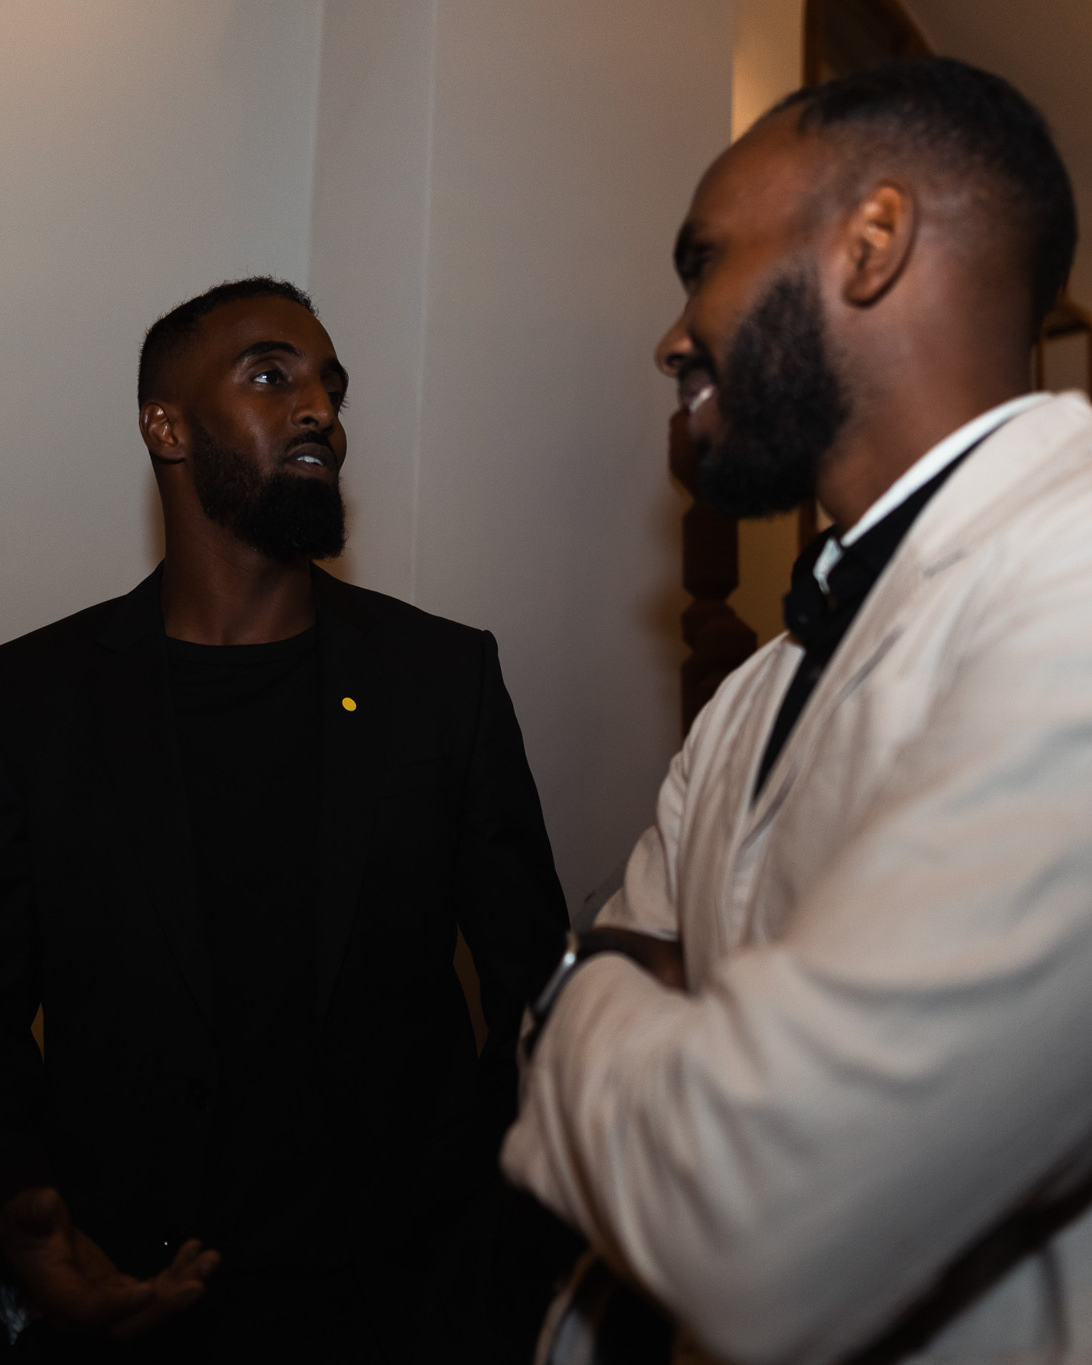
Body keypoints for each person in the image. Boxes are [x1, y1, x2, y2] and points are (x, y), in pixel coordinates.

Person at [502, 57, 1092, 1364]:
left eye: (702, 261)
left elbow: (758, 1214)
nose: (670, 338)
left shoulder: (1075, 582)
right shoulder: (758, 688)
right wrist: (662, 1015)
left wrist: (577, 991)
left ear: (872, 244)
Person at [0, 278, 568, 1362]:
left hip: (398, 1309)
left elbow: (535, 991)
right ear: (166, 427)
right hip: (128, 1302)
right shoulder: (35, 698)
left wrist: (491, 1240)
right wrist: (23, 1207)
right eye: (272, 376)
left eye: (331, 388)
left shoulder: (440, 679)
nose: (321, 411)